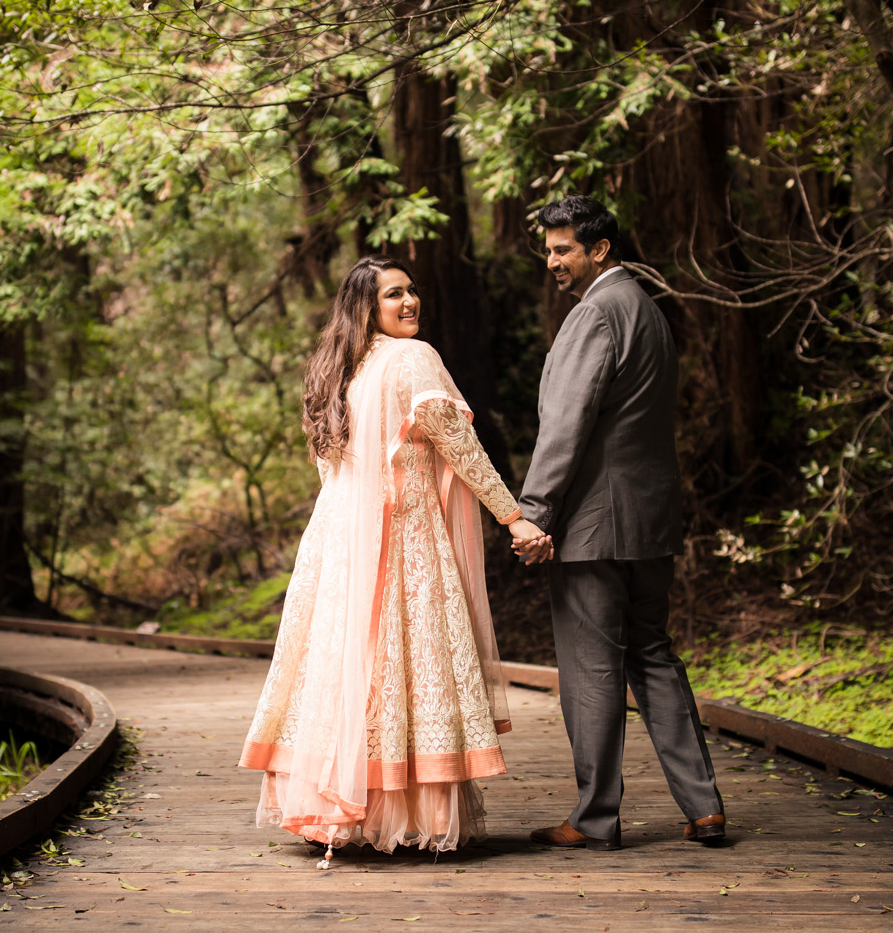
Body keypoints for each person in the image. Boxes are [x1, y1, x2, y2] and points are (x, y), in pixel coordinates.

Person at [240, 256, 549, 866]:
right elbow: (459, 445)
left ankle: (342, 809)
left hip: (338, 541)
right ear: (366, 307)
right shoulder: (415, 358)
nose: (410, 302)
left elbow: (331, 466)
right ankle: (404, 815)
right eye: (393, 295)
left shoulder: (337, 367)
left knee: (348, 662)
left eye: (411, 290)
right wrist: (514, 516)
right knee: (401, 661)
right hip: (404, 535)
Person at [513, 196, 725, 850]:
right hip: (650, 517)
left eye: (562, 249)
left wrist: (535, 510)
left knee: (593, 668)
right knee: (654, 656)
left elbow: (567, 422)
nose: (551, 261)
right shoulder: (648, 310)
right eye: (548, 249)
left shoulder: (596, 313)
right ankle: (704, 805)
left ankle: (595, 817)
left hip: (594, 524)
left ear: (598, 249)